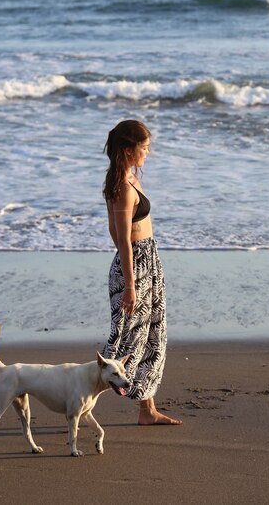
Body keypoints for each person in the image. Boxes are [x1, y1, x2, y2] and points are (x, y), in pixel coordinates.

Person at [102, 119, 181, 425]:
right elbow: (120, 236)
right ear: (128, 149)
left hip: (147, 260)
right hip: (134, 266)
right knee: (125, 342)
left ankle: (147, 411)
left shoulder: (130, 178)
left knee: (151, 336)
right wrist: (131, 283)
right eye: (144, 147)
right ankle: (81, 392)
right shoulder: (122, 186)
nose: (148, 152)